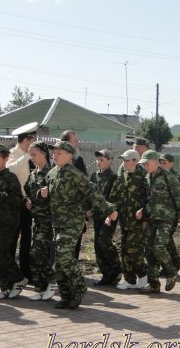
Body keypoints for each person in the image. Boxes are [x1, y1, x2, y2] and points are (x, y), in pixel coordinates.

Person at [41, 141, 118, 309]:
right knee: (60, 261)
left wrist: (109, 209)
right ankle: (66, 295)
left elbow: (93, 192)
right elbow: (49, 195)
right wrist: (44, 194)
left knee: (64, 254)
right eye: (54, 153)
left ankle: (79, 287)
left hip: (73, 221)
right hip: (58, 222)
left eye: (59, 153)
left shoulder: (75, 174)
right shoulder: (52, 173)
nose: (55, 155)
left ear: (69, 155)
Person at [136, 150, 180, 293]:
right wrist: (144, 214)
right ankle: (153, 284)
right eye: (144, 164)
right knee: (149, 250)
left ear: (155, 162)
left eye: (147, 163)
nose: (145, 166)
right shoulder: (147, 178)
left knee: (158, 247)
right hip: (152, 218)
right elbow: (147, 200)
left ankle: (171, 272)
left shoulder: (167, 176)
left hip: (166, 218)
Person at [0, 144, 27, 299]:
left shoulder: (11, 178)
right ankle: (5, 287)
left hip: (9, 222)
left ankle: (19, 278)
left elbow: (17, 200)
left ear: (5, 159)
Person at [108, 150, 148, 290]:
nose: (123, 163)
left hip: (137, 222)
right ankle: (130, 279)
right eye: (123, 160)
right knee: (124, 250)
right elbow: (114, 197)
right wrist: (110, 213)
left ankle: (143, 275)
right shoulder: (122, 177)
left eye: (126, 160)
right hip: (124, 221)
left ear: (135, 161)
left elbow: (149, 198)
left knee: (133, 248)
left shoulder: (144, 177)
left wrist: (144, 213)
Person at [24, 141, 58, 301]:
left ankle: (52, 282)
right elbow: (27, 191)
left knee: (36, 253)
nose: (32, 158)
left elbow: (58, 196)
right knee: (35, 256)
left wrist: (47, 194)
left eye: (34, 155)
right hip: (35, 221)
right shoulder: (33, 173)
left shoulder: (51, 174)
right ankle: (40, 288)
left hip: (47, 221)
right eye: (30, 155)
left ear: (44, 154)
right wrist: (27, 200)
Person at [7, 123, 37, 282]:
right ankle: (12, 274)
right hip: (15, 203)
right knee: (12, 240)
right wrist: (26, 156)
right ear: (26, 140)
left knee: (26, 239)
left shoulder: (32, 155)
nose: (35, 141)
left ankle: (26, 272)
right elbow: (10, 170)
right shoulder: (13, 153)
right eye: (33, 138)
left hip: (27, 202)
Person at [88, 149, 122, 286]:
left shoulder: (114, 177)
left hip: (108, 216)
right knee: (97, 245)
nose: (99, 162)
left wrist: (110, 215)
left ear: (110, 161)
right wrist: (88, 209)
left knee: (104, 241)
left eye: (102, 160)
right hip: (97, 216)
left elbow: (115, 198)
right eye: (98, 160)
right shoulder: (94, 176)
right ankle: (107, 274)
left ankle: (117, 269)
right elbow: (90, 195)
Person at [60, 130, 88, 260]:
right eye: (75, 140)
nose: (77, 143)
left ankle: (72, 275)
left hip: (75, 213)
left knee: (74, 245)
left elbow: (86, 186)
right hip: (60, 214)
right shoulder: (57, 161)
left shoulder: (78, 160)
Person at [159, 153, 180, 274]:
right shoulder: (158, 175)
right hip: (161, 215)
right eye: (161, 163)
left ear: (171, 164)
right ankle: (171, 265)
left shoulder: (175, 176)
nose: (162, 165)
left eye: (165, 163)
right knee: (165, 240)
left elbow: (179, 197)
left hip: (172, 214)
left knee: (166, 239)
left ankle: (174, 263)